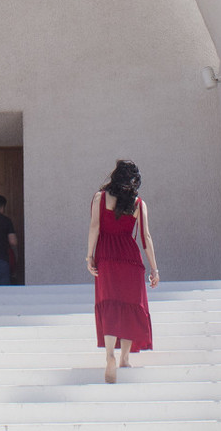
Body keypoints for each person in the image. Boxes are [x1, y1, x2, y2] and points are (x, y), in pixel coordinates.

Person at [87, 159, 159, 383]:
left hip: (107, 255)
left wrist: (89, 256)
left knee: (109, 303)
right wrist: (154, 269)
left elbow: (95, 227)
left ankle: (110, 354)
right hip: (130, 256)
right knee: (129, 305)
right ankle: (125, 358)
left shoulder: (100, 198)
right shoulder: (139, 203)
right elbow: (146, 238)